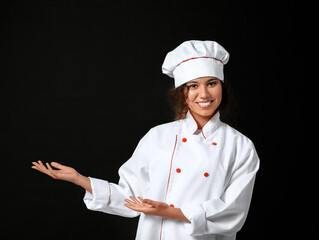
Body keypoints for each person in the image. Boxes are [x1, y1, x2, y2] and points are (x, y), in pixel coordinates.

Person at [32, 40, 260, 240]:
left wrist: (167, 212)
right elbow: (131, 197)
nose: (204, 94)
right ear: (182, 93)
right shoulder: (158, 136)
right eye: (193, 86)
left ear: (222, 87)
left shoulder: (240, 146)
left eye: (212, 83)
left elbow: (232, 213)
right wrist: (80, 179)